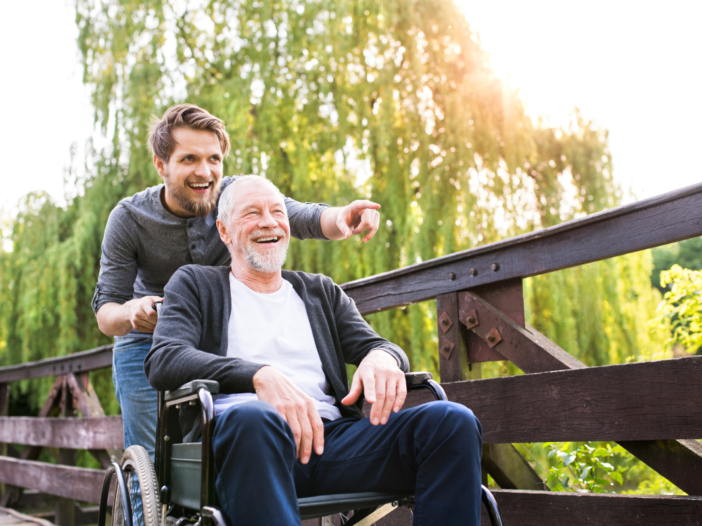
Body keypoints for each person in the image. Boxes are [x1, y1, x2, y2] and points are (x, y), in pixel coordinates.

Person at [145, 176, 483, 525]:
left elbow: (376, 344)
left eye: (278, 211)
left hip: (330, 443)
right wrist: (258, 376)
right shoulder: (195, 284)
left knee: (451, 422)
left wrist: (384, 357)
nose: (269, 221)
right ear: (225, 231)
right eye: (252, 213)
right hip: (244, 442)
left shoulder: (320, 291)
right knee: (255, 419)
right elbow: (164, 359)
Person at [92, 104, 383, 458]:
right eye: (189, 159)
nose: (205, 172)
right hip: (146, 342)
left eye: (214, 159)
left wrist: (345, 217)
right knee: (152, 461)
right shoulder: (129, 218)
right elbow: (106, 312)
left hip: (214, 337)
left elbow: (302, 216)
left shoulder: (235, 198)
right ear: (160, 164)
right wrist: (132, 312)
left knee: (213, 453)